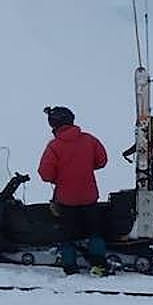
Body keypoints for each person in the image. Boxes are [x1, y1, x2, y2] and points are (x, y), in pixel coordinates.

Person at [38, 106, 110, 276]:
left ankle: (70, 268)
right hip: (89, 196)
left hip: (65, 199)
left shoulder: (54, 146)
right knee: (95, 232)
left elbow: (45, 174)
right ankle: (99, 265)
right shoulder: (89, 140)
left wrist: (60, 176)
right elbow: (102, 161)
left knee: (66, 235)